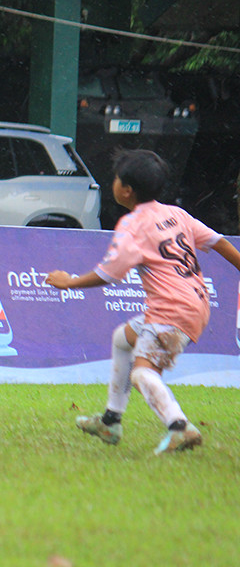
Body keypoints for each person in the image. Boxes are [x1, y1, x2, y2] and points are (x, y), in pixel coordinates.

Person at [46, 149, 240, 454]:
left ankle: (179, 426)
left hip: (171, 310)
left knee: (142, 373)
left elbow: (109, 273)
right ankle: (111, 421)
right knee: (122, 339)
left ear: (126, 190)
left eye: (116, 178)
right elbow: (218, 242)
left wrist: (69, 282)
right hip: (197, 304)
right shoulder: (176, 214)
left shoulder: (133, 224)